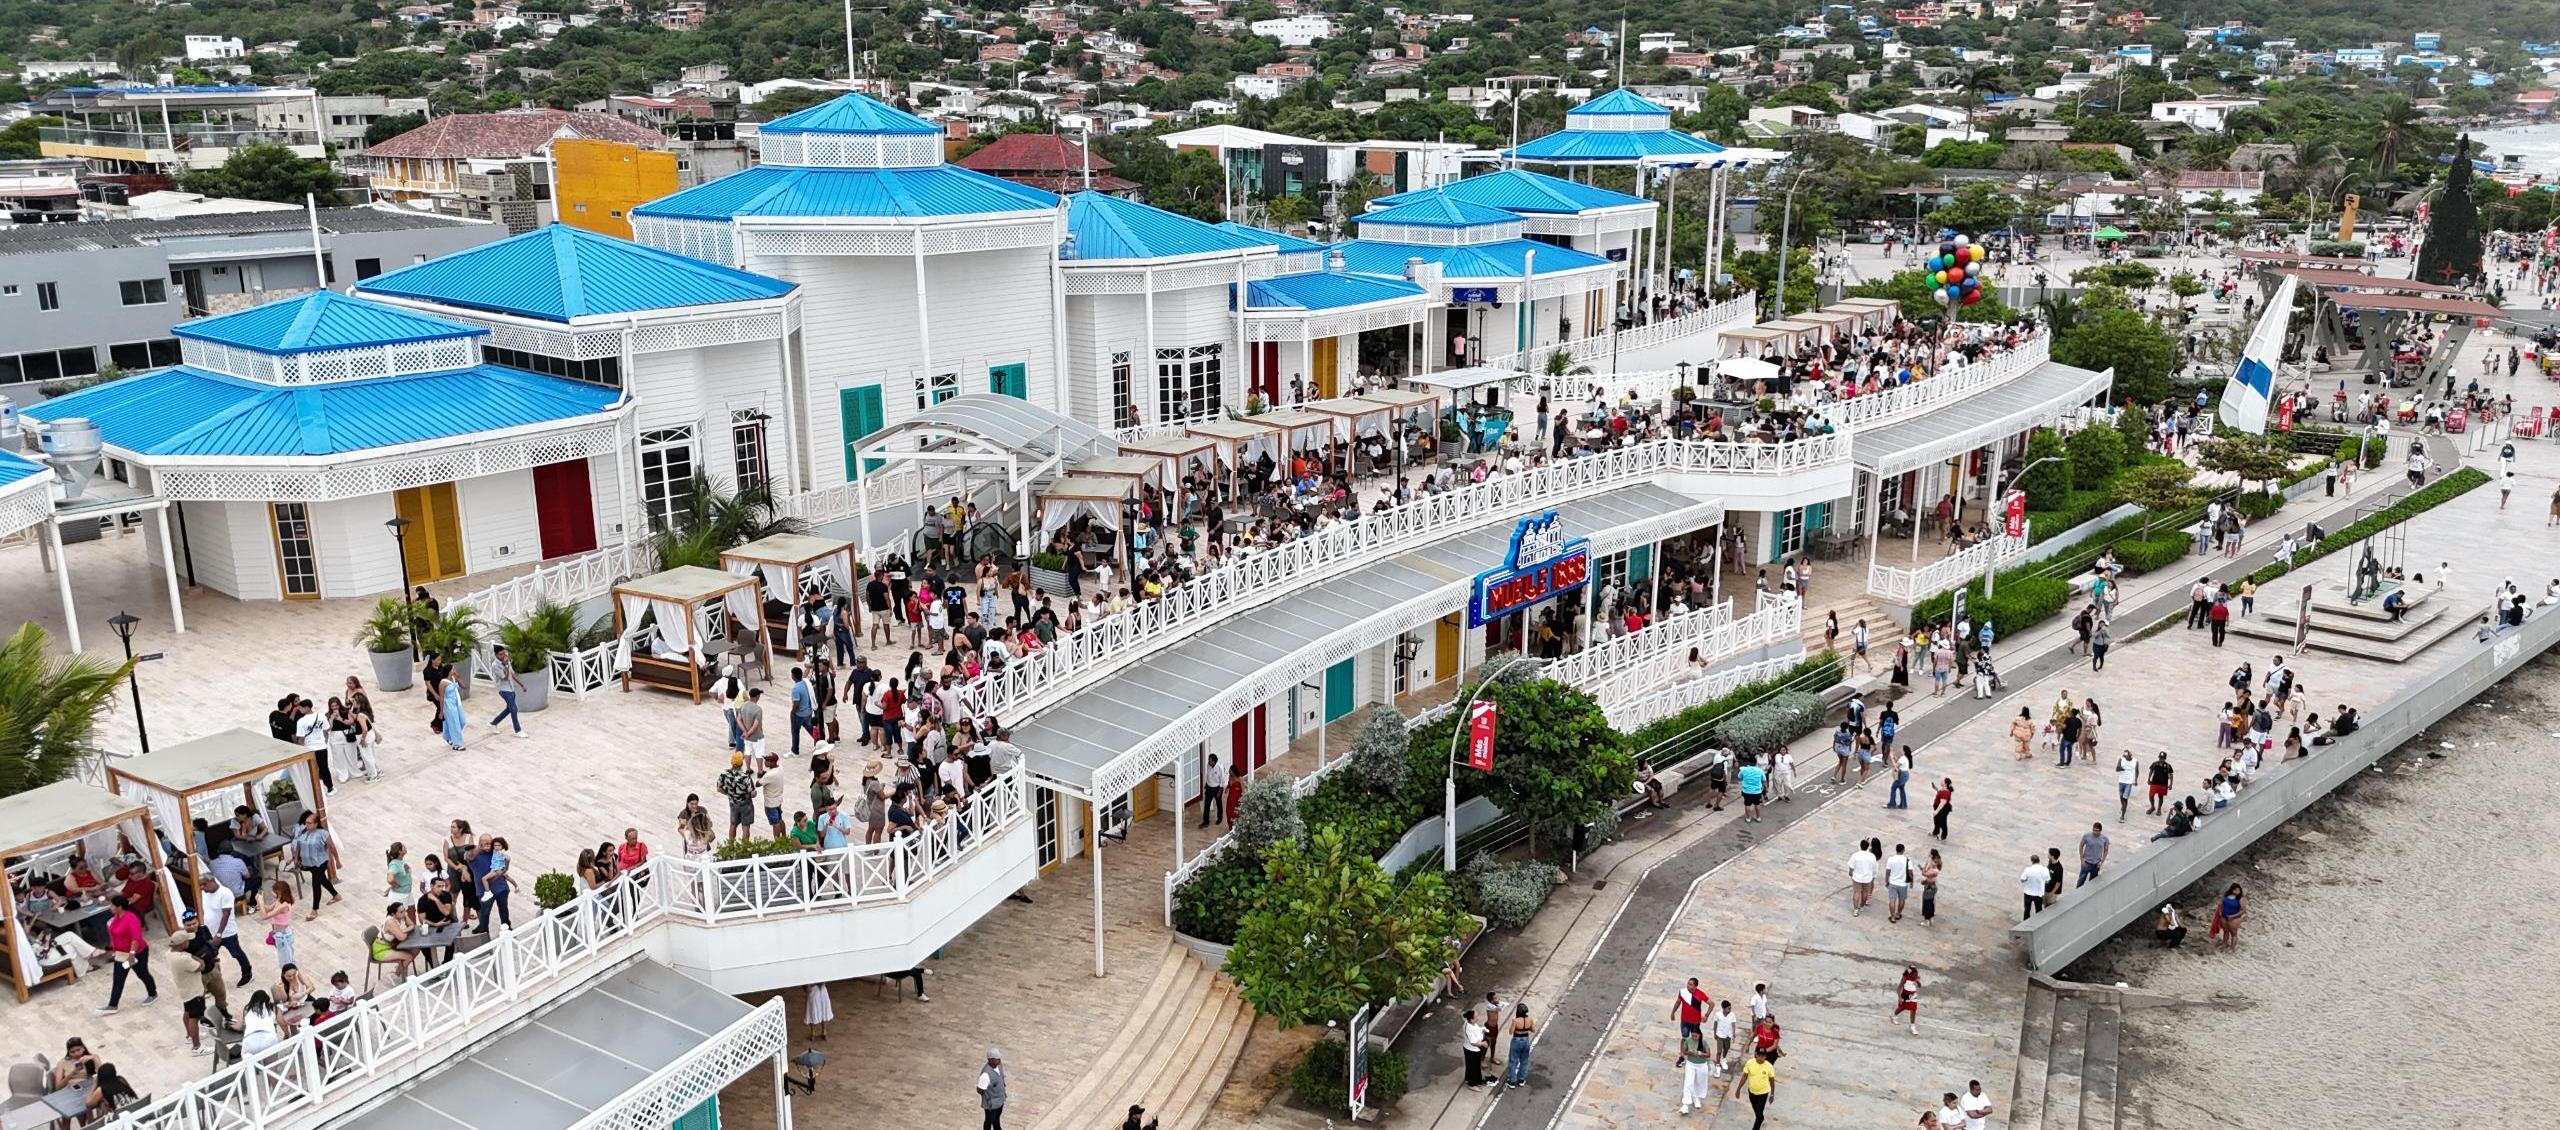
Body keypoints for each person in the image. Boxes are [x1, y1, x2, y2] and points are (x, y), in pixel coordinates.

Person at [1731, 1048, 1777, 1129]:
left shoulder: (1769, 1067)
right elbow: (1744, 1077)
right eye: (1759, 1055)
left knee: (1759, 1115)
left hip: (1763, 1093)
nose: (1760, 1058)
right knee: (1757, 1111)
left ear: (1765, 1057)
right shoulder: (1750, 1063)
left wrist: (1772, 1094)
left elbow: (1772, 1081)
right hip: (1751, 1092)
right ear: (1756, 1055)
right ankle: (1760, 1118)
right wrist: (1738, 1089)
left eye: (1763, 1056)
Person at [488, 645, 527, 737]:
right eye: (500, 654)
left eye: (504, 653)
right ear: (496, 655)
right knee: (514, 709)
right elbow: (505, 678)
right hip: (504, 690)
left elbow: (512, 674)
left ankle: (493, 723)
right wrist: (505, 666)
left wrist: (521, 685)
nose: (503, 656)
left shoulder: (506, 661)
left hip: (511, 688)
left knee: (509, 709)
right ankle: (518, 730)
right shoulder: (495, 666)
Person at [1677, 1022, 1715, 1114]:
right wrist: (1689, 1052)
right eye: (1693, 1036)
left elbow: (1708, 1054)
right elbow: (1684, 1051)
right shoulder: (1688, 1041)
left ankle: (1696, 1097)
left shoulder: (1703, 1042)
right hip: (1691, 1064)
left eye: (1696, 1036)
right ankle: (1685, 1104)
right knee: (1688, 1083)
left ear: (1699, 1035)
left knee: (1699, 1082)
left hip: (1701, 1065)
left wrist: (1700, 1053)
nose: (1694, 1038)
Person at [1503, 1003, 1536, 1087]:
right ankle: (1522, 1079)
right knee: (1524, 1061)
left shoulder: (1515, 1021)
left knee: (1513, 1060)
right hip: (1525, 1040)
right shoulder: (1530, 1019)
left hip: (1516, 1041)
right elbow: (1533, 1030)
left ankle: (1512, 1081)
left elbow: (1511, 1032)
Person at [2209, 883, 2247, 950]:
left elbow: (2243, 910)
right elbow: (2222, 904)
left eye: (2238, 890)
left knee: (2233, 934)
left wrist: (2233, 916)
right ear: (2232, 889)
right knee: (2225, 931)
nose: (2237, 891)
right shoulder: (2226, 895)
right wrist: (2220, 911)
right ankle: (2224, 944)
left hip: (2234, 918)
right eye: (2235, 890)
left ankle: (2232, 948)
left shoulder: (2240, 898)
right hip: (2224, 916)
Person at [1461, 1008, 1488, 1090]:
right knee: (1473, 1067)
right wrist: (1483, 1044)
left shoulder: (1471, 1023)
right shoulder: (1469, 1028)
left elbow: (1477, 1029)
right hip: (1471, 1050)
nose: (1477, 1018)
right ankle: (1472, 1084)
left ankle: (1469, 1079)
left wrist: (1482, 1029)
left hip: (1473, 1049)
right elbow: (1473, 1042)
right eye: (1476, 1017)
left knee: (1471, 1066)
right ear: (1471, 1019)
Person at [1884, 844, 1912, 923]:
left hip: (1893, 882)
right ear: (1903, 850)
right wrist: (1912, 882)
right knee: (1902, 900)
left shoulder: (1891, 859)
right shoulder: (1908, 860)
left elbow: (1887, 872)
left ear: (1896, 850)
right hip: (1903, 884)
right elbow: (1910, 872)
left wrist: (1886, 881)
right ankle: (1898, 914)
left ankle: (1892, 917)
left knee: (1892, 900)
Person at [2077, 822, 2110, 887]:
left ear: (2100, 831)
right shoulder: (2086, 836)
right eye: (2094, 830)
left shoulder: (2104, 839)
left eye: (2097, 831)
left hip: (2096, 864)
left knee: (2093, 882)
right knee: (2081, 880)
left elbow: (2106, 850)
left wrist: (2102, 861)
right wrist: (2082, 859)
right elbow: (2081, 846)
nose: (2095, 832)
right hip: (2086, 862)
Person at [1201, 752, 1229, 827]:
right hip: (1209, 787)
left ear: (1214, 761)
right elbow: (1209, 776)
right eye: (1208, 760)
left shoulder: (1220, 767)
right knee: (1207, 805)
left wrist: (1219, 791)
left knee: (1218, 803)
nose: (1208, 762)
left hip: (1217, 788)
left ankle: (1219, 818)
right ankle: (1206, 821)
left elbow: (1222, 780)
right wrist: (1206, 784)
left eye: (1210, 761)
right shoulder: (1208, 765)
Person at [1893, 966, 1921, 1035]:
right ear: (1911, 974)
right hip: (1905, 995)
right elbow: (1899, 988)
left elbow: (1920, 986)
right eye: (1915, 974)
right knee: (1901, 1008)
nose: (1916, 975)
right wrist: (1899, 997)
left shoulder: (1916, 978)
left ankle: (1912, 1026)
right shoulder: (1905, 978)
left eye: (1916, 974)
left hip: (1913, 995)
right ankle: (1894, 1016)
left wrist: (1917, 981)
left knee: (1913, 1010)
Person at [2019, 854, 2048, 918]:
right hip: (2038, 894)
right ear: (2039, 861)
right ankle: (2038, 922)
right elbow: (2047, 880)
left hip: (2028, 893)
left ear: (2032, 861)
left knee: (2027, 910)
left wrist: (2027, 879)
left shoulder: (2027, 869)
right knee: (2039, 910)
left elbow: (2022, 880)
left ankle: (2026, 922)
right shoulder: (2044, 869)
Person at [1920, 849, 1943, 925]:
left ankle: (1927, 920)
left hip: (1930, 887)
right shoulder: (1934, 868)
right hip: (1931, 886)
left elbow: (1924, 873)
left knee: (1927, 903)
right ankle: (1930, 918)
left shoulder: (1934, 870)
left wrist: (1926, 864)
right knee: (1931, 902)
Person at [2115, 751, 2139, 821]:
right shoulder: (2121, 759)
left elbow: (2137, 771)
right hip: (2121, 781)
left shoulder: (2135, 761)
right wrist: (2120, 768)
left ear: (2130, 755)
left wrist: (2136, 780)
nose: (2125, 757)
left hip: (2129, 782)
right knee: (2121, 796)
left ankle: (2122, 816)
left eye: (2126, 756)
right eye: (2124, 756)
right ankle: (2123, 806)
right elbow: (2116, 769)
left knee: (2125, 798)